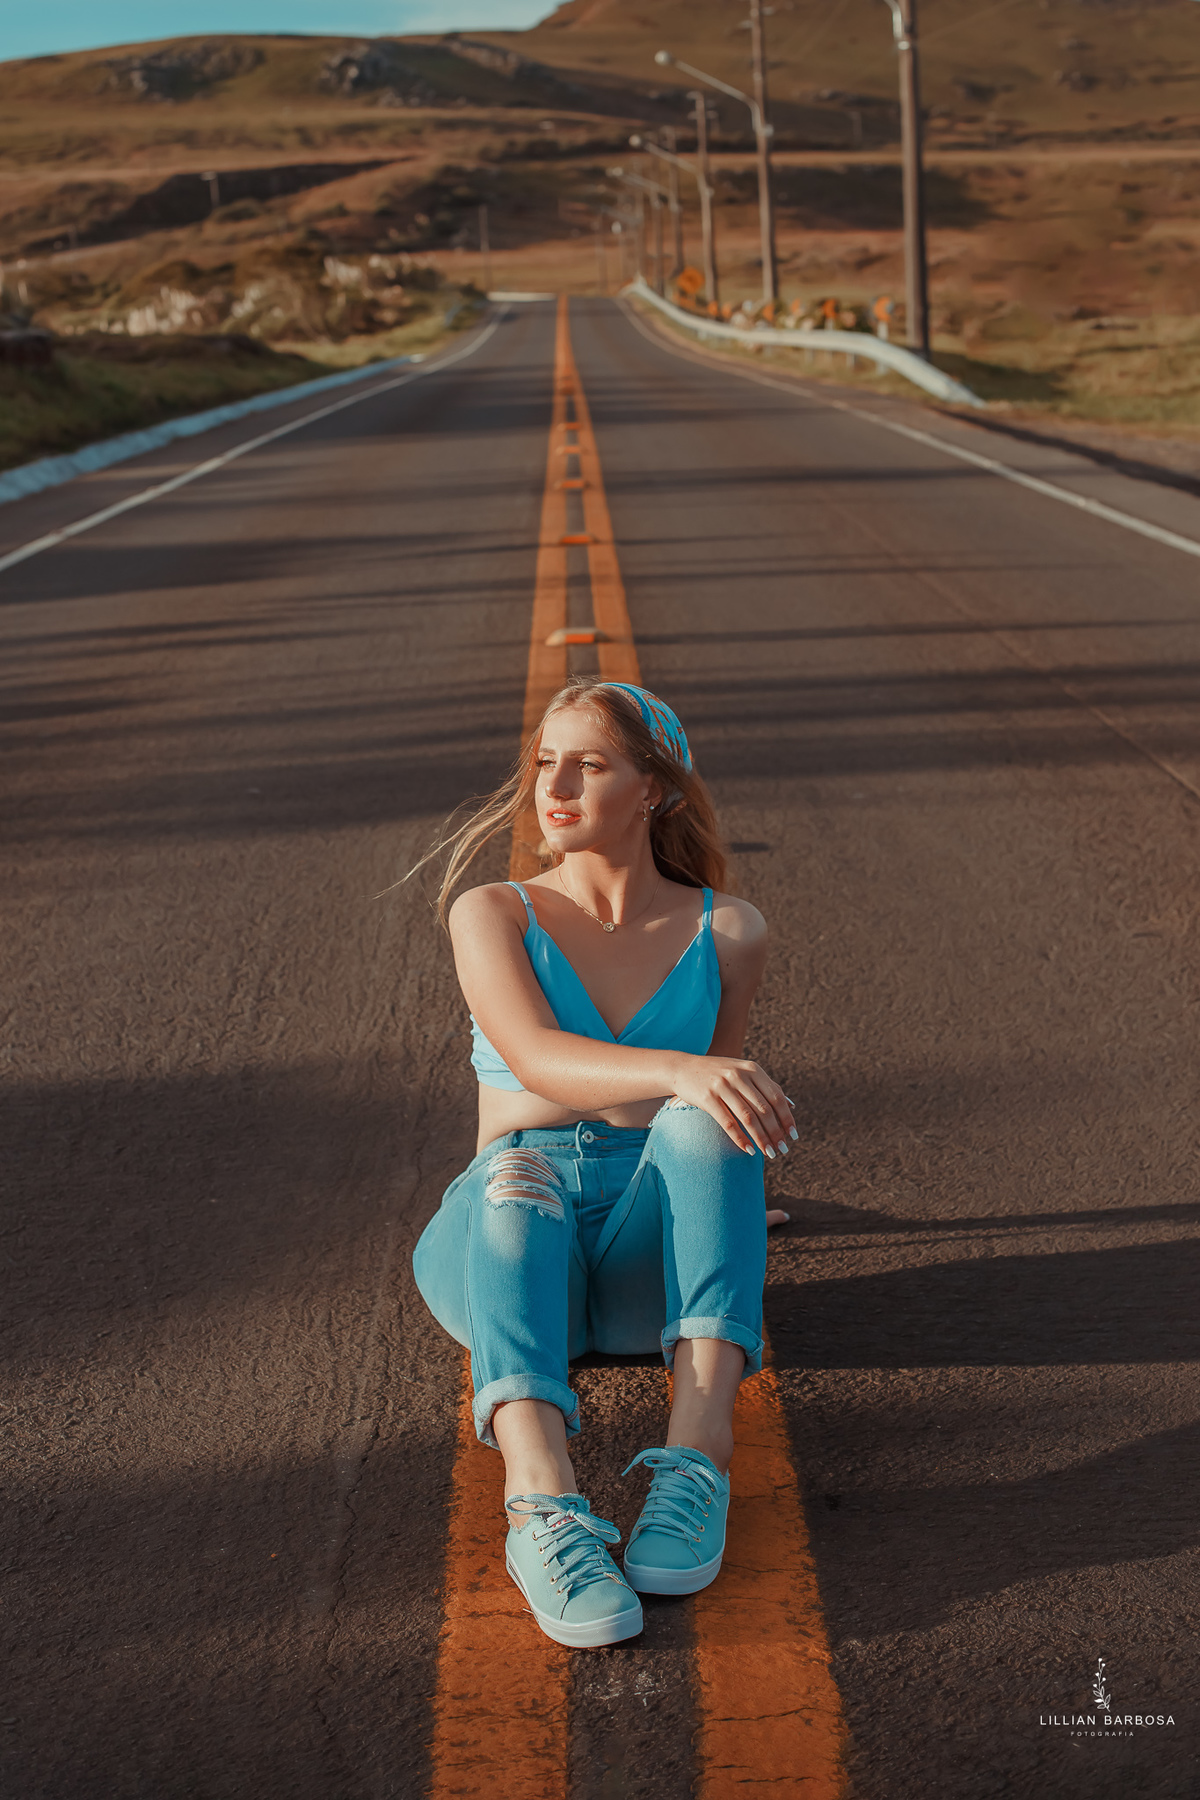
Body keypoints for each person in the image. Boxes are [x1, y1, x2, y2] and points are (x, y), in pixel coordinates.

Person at [411, 678, 796, 1649]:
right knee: (517, 1180)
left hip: (640, 1269)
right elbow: (536, 1062)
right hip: (510, 1240)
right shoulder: (490, 912)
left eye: (589, 763)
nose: (555, 784)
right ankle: (542, 1508)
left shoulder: (729, 931)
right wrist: (678, 1071)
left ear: (656, 789)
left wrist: (730, 1199)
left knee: (709, 1126)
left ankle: (697, 1462)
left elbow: (712, 1110)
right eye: (546, 761)